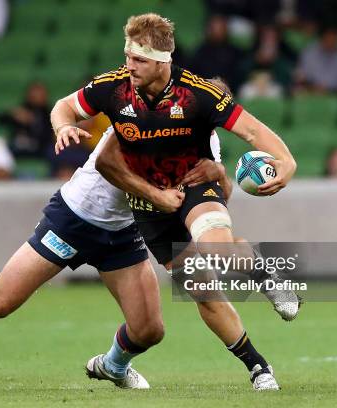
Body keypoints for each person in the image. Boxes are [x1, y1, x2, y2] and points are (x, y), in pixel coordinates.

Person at [0, 128, 228, 389]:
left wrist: (219, 175)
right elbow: (110, 165)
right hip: (74, 219)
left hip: (121, 231)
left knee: (150, 330)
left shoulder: (202, 138)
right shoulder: (140, 119)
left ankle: (112, 367)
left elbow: (214, 193)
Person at [52, 13, 299, 391]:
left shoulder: (201, 96)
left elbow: (253, 131)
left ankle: (268, 279)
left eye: (139, 60)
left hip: (193, 186)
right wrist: (64, 126)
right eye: (128, 57)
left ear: (163, 60)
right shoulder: (114, 89)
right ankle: (258, 367)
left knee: (215, 249)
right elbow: (65, 109)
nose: (129, 66)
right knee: (202, 290)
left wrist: (287, 162)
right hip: (150, 207)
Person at [294, 26, 337, 94]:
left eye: (334, 39)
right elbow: (301, 77)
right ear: (321, 39)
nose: (331, 42)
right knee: (298, 91)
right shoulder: (309, 53)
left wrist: (330, 90)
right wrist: (313, 87)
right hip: (311, 90)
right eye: (328, 39)